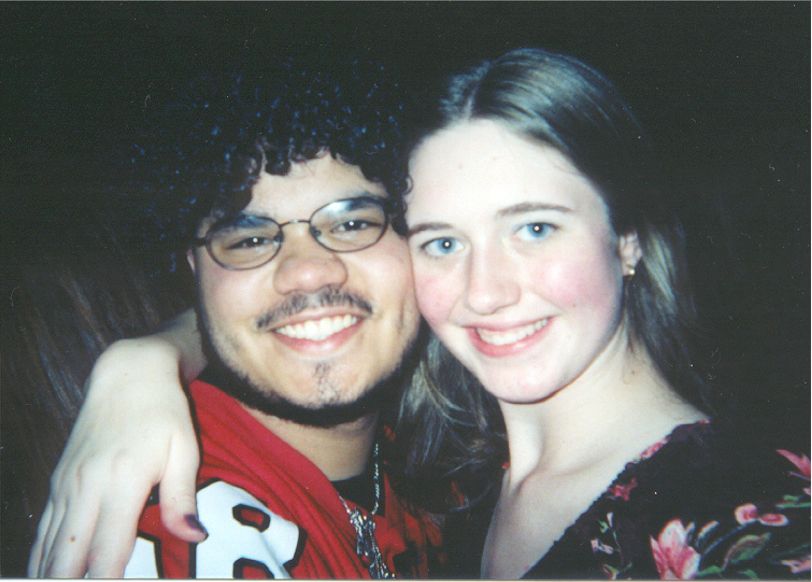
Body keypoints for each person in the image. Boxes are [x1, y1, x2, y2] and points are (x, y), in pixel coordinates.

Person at [31, 49, 810, 579]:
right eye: (442, 242)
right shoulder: (455, 476)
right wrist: (147, 358)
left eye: (536, 229)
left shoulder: (733, 518)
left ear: (629, 237)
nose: (485, 291)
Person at [27, 58, 445, 578]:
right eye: (250, 240)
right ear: (196, 271)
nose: (307, 272)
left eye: (352, 223)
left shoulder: (452, 448)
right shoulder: (188, 528)